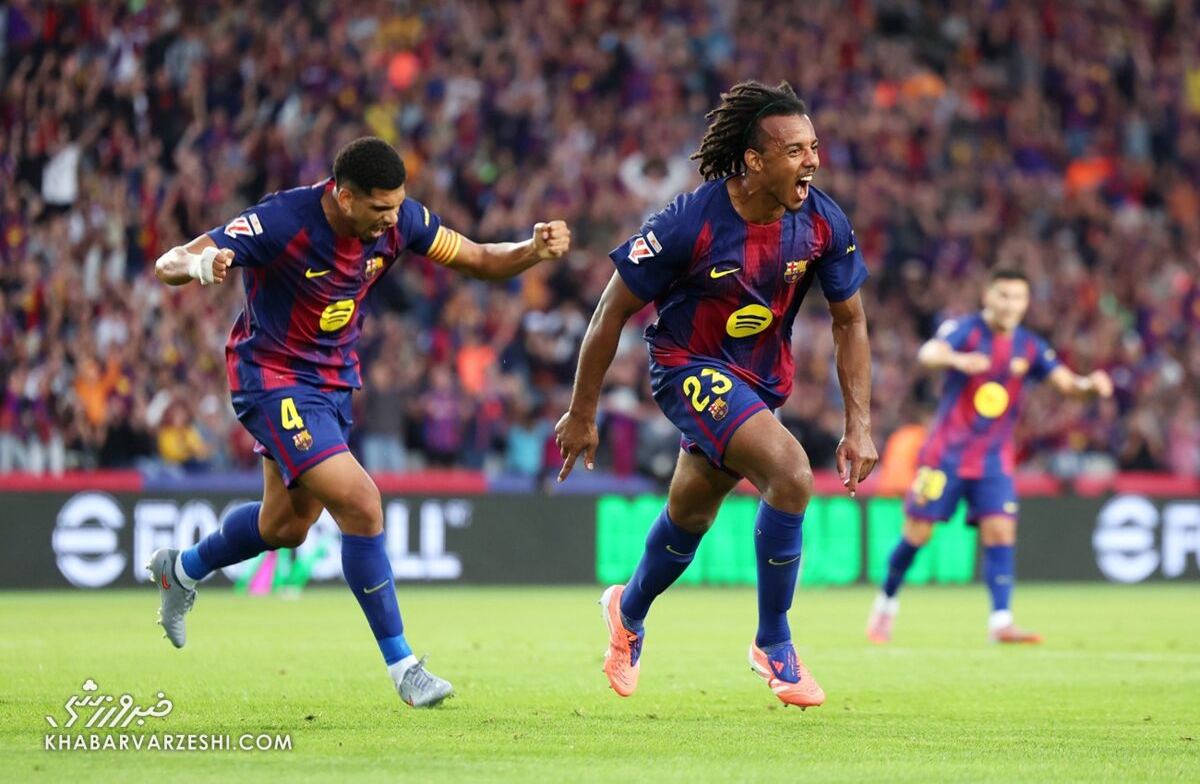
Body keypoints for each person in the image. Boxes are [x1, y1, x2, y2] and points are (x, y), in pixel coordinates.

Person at [147, 136, 570, 707]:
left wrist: (532, 250)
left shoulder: (401, 220)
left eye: (397, 205)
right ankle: (404, 668)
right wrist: (201, 264)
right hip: (272, 379)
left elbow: (478, 259)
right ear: (344, 196)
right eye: (380, 207)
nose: (392, 218)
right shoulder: (281, 220)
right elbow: (168, 262)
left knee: (285, 526)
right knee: (362, 504)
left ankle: (181, 569)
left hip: (331, 383)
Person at [555, 81, 876, 708]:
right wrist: (582, 412)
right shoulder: (688, 221)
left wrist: (858, 423)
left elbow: (851, 321)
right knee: (791, 474)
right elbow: (610, 313)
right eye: (795, 150)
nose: (812, 161)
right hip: (688, 366)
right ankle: (773, 641)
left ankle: (626, 609)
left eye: (814, 147)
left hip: (760, 380)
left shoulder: (822, 221)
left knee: (691, 516)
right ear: (754, 160)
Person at [865, 269, 1113, 645]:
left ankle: (1001, 622)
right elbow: (929, 353)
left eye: (1018, 298)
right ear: (988, 297)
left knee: (1001, 530)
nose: (1010, 305)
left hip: (993, 459)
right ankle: (886, 602)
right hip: (944, 456)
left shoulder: (1029, 346)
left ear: (1027, 303)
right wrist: (957, 360)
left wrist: (1089, 385)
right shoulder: (966, 331)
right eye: (1003, 296)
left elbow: (1068, 384)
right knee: (917, 534)